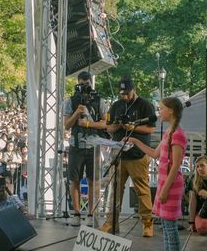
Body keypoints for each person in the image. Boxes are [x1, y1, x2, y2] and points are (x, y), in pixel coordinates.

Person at [125, 97, 186, 251]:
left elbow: (175, 166)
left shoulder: (178, 135)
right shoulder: (169, 132)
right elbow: (154, 153)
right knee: (167, 229)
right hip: (164, 184)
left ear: (172, 111)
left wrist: (165, 190)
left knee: (170, 228)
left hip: (171, 185)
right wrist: (135, 140)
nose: (159, 112)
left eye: (162, 108)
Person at [104, 78, 157, 236]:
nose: (124, 97)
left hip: (137, 155)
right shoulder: (116, 105)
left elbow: (151, 130)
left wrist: (133, 127)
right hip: (119, 155)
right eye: (122, 94)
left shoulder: (145, 105)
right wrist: (119, 125)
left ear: (134, 89)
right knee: (114, 192)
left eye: (127, 93)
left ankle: (147, 223)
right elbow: (108, 127)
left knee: (142, 190)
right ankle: (111, 223)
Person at [63, 70, 104, 226]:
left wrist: (88, 123)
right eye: (82, 84)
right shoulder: (71, 101)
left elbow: (105, 124)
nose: (85, 87)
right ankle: (76, 213)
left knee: (93, 180)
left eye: (87, 84)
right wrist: (77, 112)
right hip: (76, 146)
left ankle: (92, 213)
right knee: (75, 180)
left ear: (91, 84)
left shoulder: (99, 100)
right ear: (77, 83)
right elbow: (67, 125)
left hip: (93, 145)